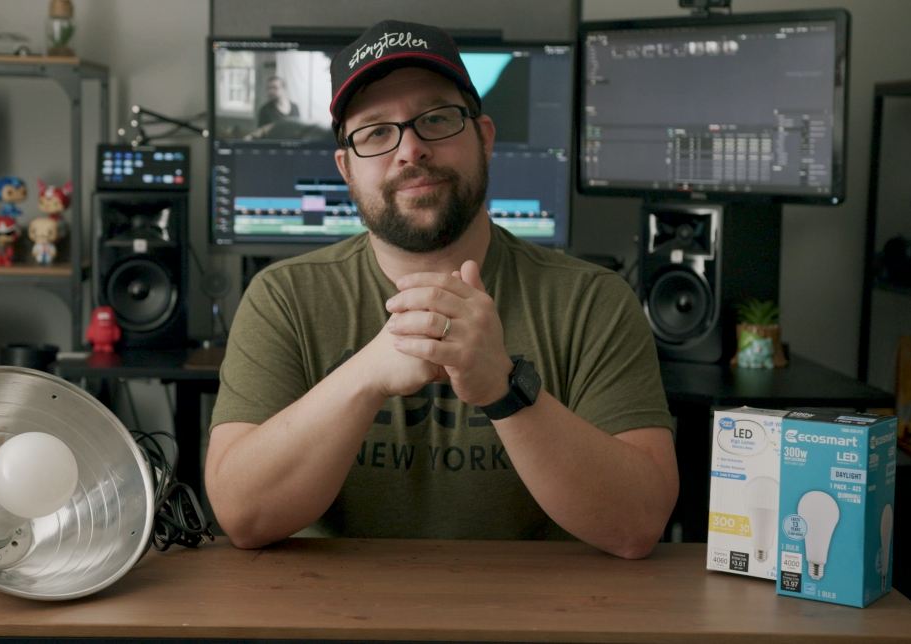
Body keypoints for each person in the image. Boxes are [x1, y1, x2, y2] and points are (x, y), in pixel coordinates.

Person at [206, 20, 678, 558]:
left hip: (539, 620)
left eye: (435, 119)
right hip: (333, 619)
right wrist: (367, 372)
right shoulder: (283, 298)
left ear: (484, 137)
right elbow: (243, 516)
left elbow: (638, 524)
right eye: (376, 132)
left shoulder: (592, 300)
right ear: (345, 169)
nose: (410, 150)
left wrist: (504, 388)